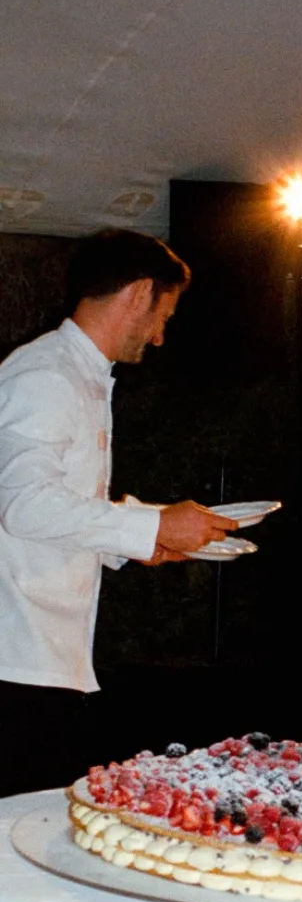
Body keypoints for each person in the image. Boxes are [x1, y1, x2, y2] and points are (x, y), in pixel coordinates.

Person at [0, 230, 235, 797]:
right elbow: (23, 504)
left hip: (41, 658)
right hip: (16, 660)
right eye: (165, 315)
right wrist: (151, 525)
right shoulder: (47, 375)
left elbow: (60, 507)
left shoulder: (76, 376)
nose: (159, 338)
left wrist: (137, 541)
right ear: (139, 293)